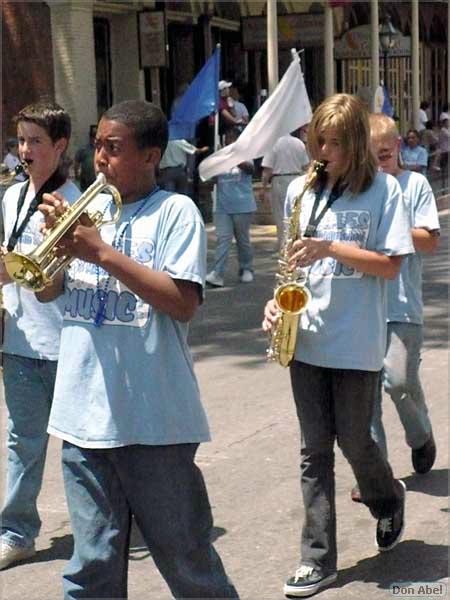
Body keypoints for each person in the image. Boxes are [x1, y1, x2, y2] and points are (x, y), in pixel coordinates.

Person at [36, 99, 239, 600]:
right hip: (83, 419)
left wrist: (99, 251)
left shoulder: (175, 212)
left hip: (155, 424)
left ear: (150, 156)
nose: (99, 158)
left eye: (114, 148)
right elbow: (45, 290)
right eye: (98, 145)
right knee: (91, 569)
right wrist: (57, 252)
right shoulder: (88, 210)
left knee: (188, 563)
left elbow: (182, 301)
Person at [262, 94, 414, 598]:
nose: (322, 152)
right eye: (316, 142)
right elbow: (291, 264)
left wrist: (330, 246)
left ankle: (387, 498)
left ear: (354, 143)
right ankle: (317, 559)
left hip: (355, 342)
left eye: (332, 143)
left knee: (356, 440)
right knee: (313, 452)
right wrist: (274, 304)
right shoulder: (301, 193)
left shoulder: (384, 192)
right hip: (304, 339)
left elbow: (389, 264)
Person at [0, 102, 80, 570]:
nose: (23, 151)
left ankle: (100, 527)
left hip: (67, 341)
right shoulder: (10, 197)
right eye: (20, 141)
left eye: (34, 141)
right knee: (22, 441)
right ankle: (17, 532)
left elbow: (68, 278)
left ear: (60, 146)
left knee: (83, 448)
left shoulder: (73, 199)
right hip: (20, 342)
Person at [348, 113, 440, 504]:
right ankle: (376, 475)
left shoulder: (413, 184)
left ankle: (421, 436)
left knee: (400, 383)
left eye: (384, 156)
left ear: (398, 147)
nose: (379, 165)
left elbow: (429, 241)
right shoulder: (359, 189)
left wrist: (392, 223)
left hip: (402, 305)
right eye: (371, 159)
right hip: (362, 307)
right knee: (365, 399)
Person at [206, 127, 256, 288]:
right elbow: (211, 181)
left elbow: (250, 170)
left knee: (243, 240)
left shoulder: (246, 154)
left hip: (243, 205)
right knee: (223, 240)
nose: (230, 141)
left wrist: (234, 158)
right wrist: (214, 168)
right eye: (228, 138)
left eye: (233, 138)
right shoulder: (220, 156)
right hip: (222, 207)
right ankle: (217, 274)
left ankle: (246, 268)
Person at [261, 129, 310, 250]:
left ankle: (285, 246)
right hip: (297, 178)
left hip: (280, 180)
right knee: (298, 214)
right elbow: (306, 166)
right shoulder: (299, 143)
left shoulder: (273, 144)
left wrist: (263, 188)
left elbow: (267, 169)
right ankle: (298, 244)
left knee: (281, 216)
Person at [74, 124, 97, 191]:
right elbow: (76, 162)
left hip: (97, 182)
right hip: (86, 183)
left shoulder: (100, 150)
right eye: (92, 136)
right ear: (90, 137)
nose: (94, 139)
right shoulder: (84, 150)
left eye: (95, 136)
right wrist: (76, 174)